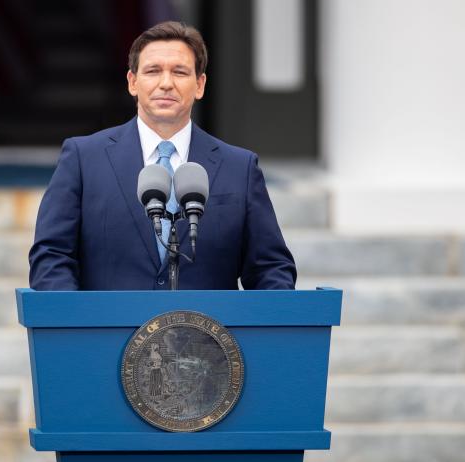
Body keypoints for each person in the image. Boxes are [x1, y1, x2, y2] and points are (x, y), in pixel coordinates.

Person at [28, 21, 296, 291]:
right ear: (133, 82)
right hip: (108, 331)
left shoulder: (239, 167)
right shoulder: (83, 159)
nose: (166, 84)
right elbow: (51, 256)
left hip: (209, 332)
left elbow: (270, 269)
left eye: (179, 72)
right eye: (153, 71)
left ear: (200, 85)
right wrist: (76, 325)